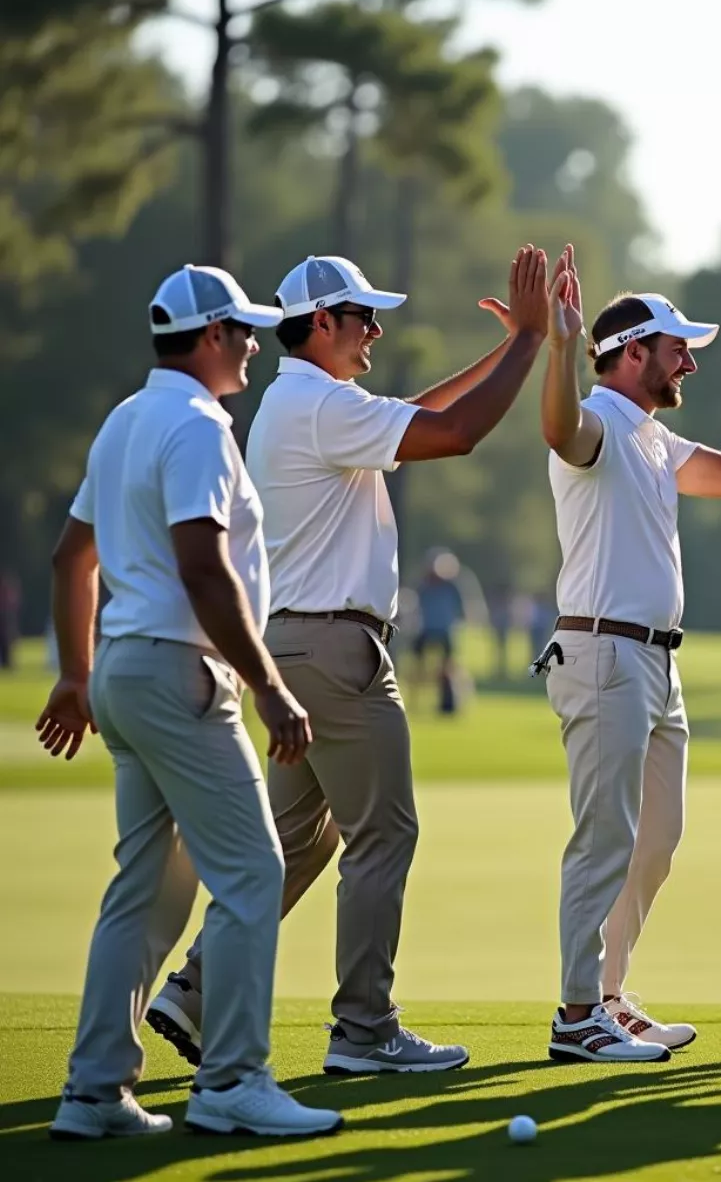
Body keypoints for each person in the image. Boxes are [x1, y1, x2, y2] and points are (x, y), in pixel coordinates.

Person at [149, 247, 550, 1075]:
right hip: (337, 650)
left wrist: (510, 348)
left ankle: (193, 987)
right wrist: (531, 343)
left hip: (296, 647)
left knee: (297, 843)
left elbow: (411, 413)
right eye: (363, 316)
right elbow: (459, 433)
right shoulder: (321, 406)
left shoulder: (310, 403)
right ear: (321, 323)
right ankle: (364, 1029)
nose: (375, 329)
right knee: (385, 833)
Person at [38, 265, 341, 1139]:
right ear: (209, 337)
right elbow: (204, 567)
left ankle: (95, 1092)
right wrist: (272, 686)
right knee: (253, 874)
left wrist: (73, 673)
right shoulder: (201, 427)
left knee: (147, 890)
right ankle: (232, 1081)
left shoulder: (125, 420)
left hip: (124, 674)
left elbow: (70, 559)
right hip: (178, 675)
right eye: (242, 331)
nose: (253, 343)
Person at [539, 246, 721, 1062]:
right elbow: (560, 428)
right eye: (678, 347)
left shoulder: (650, 436)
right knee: (604, 837)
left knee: (655, 840)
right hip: (604, 653)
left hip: (654, 665)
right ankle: (577, 1017)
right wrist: (562, 345)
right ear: (632, 352)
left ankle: (607, 994)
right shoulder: (601, 421)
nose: (689, 360)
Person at [413, 549, 466, 711]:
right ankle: (414, 700)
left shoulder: (452, 587)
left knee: (448, 669)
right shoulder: (424, 585)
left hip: (445, 631)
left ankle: (451, 700)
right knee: (418, 668)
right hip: (426, 630)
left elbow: (461, 611)